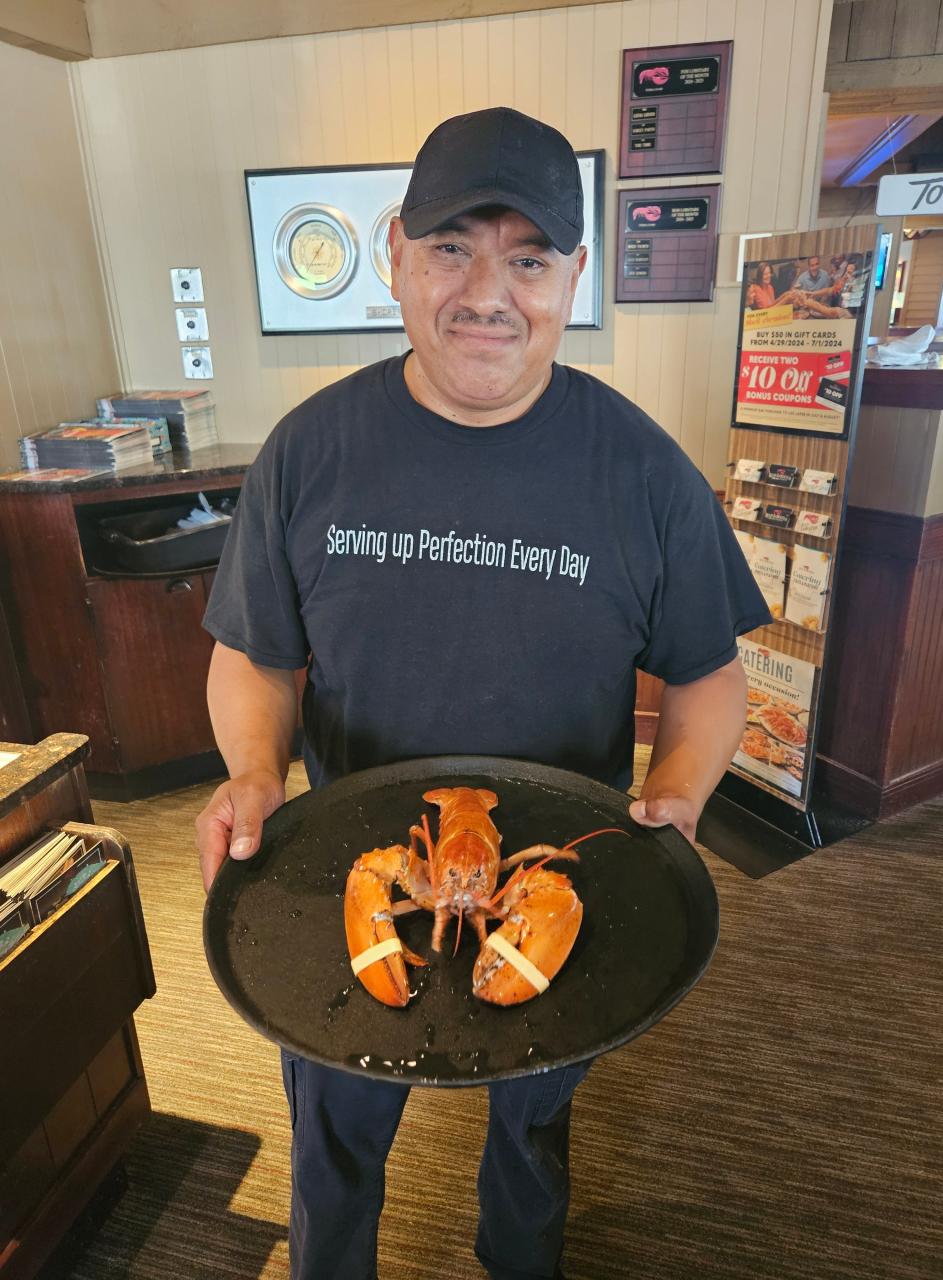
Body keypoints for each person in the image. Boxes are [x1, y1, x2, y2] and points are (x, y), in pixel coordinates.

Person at [196, 106, 770, 1280]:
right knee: (334, 1132)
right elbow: (254, 652)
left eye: (527, 256)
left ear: (575, 275)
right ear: (397, 251)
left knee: (534, 1125)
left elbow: (712, 671)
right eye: (453, 246)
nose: (486, 292)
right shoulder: (308, 450)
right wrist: (254, 766)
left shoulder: (644, 470)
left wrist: (676, 791)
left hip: (560, 871)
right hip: (352, 864)